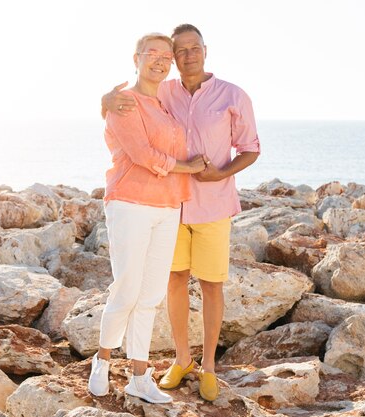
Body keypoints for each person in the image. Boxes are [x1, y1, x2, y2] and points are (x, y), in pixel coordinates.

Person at [101, 24, 260, 402]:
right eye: (180, 51)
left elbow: (251, 147)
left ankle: (208, 366)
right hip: (170, 205)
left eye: (194, 48)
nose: (187, 56)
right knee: (172, 281)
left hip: (214, 204)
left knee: (211, 284)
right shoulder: (164, 91)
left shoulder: (232, 95)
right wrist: (105, 99)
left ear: (205, 50)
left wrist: (222, 173)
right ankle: (182, 359)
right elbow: (128, 108)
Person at [88, 32, 207, 404]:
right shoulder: (124, 102)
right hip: (130, 203)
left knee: (152, 293)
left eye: (165, 56)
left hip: (168, 206)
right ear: (136, 58)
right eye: (151, 54)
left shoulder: (167, 104)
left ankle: (139, 376)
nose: (159, 60)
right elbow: (141, 154)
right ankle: (102, 359)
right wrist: (187, 166)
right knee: (126, 287)